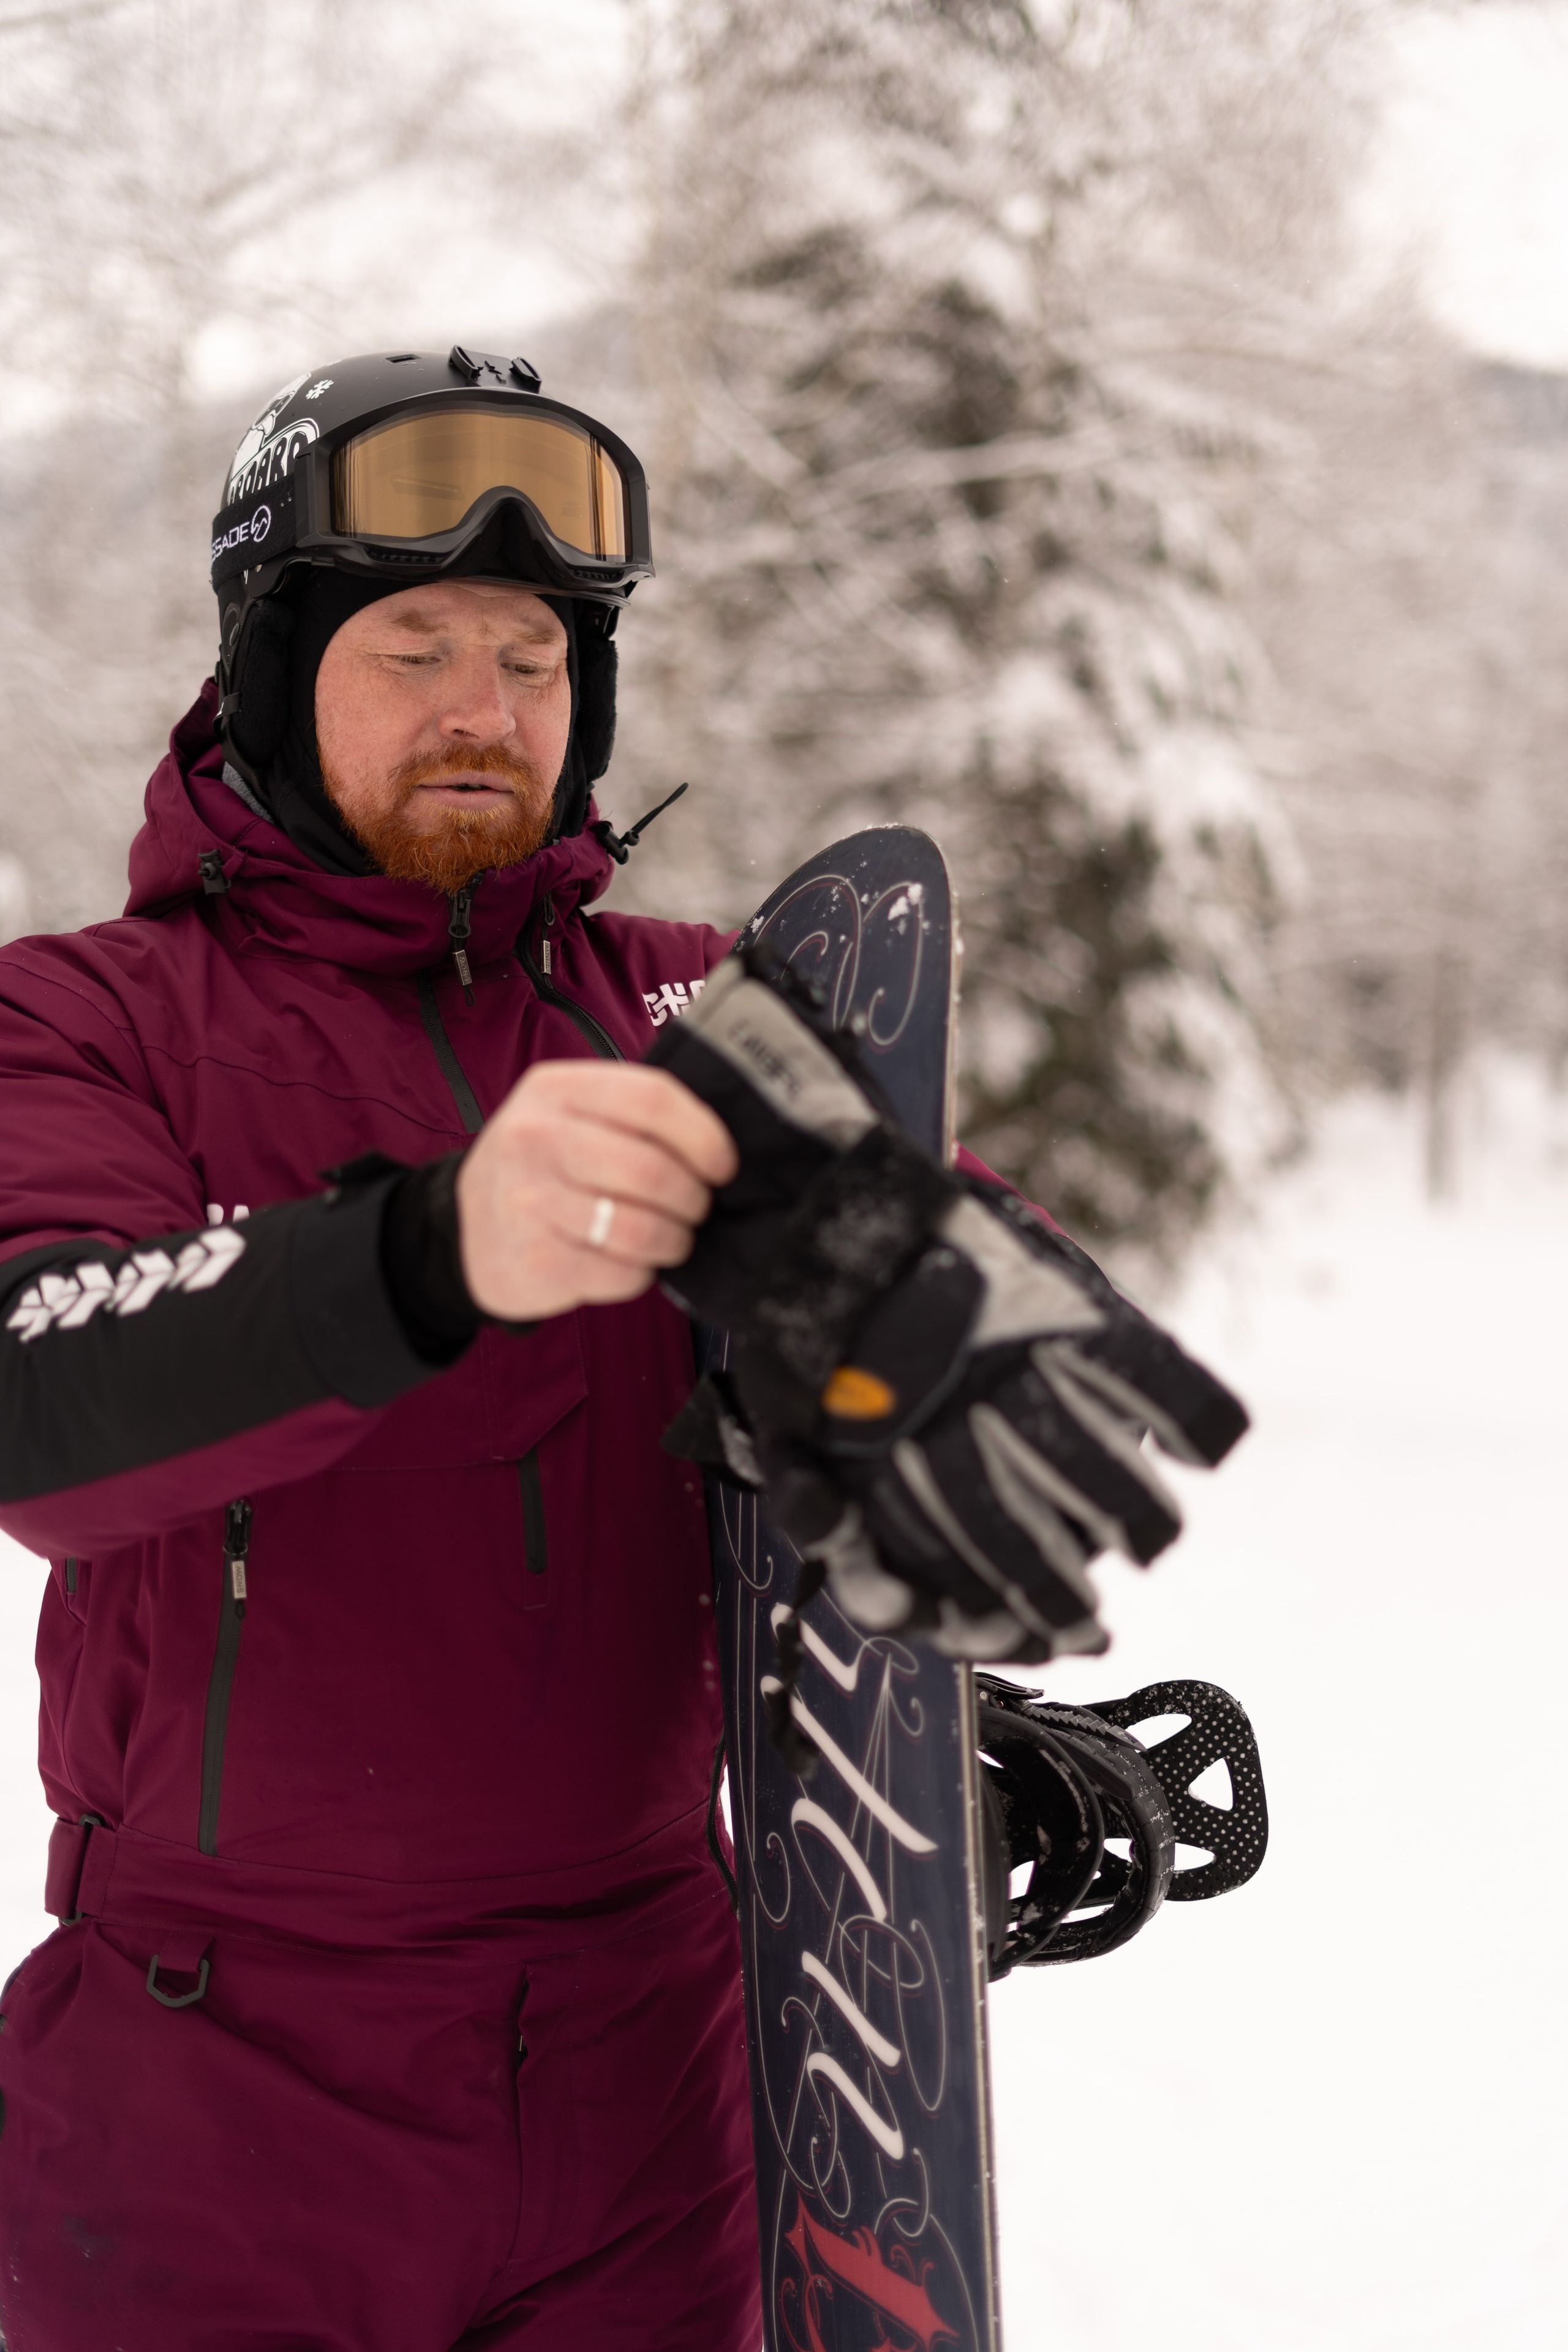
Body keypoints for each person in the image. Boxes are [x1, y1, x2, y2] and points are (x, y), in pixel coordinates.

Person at [0, 348, 1243, 2350]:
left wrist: (903, 1738)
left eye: (535, 657)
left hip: (656, 2080)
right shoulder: (85, 1024)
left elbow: (985, 1344)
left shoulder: (701, 1014)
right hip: (210, 2091)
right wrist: (422, 1250)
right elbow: (35, 1401)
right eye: (415, 646)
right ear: (270, 667)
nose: (488, 709)